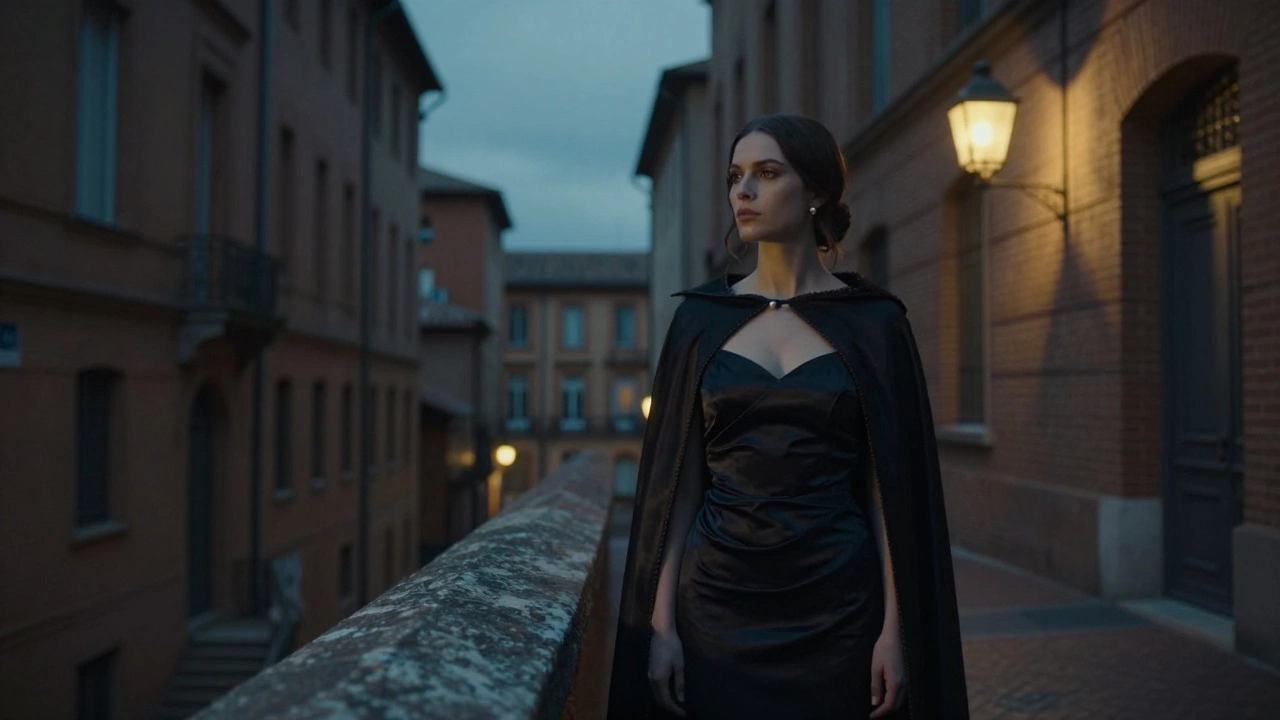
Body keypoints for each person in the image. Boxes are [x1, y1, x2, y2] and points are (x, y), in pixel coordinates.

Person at [606, 115, 970, 720]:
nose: (742, 193)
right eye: (735, 176)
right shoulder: (699, 320)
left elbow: (890, 494)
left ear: (818, 192)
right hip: (715, 609)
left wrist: (894, 631)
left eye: (766, 174)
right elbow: (679, 486)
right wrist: (661, 625)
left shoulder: (875, 324)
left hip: (841, 609)